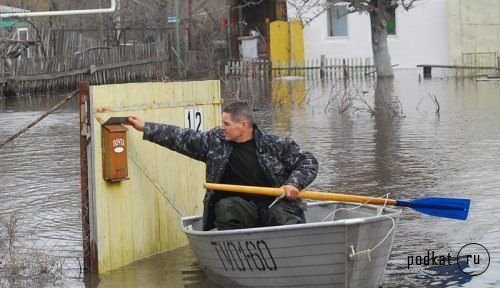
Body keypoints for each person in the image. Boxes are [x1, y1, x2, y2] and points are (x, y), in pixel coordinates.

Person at [125, 100, 318, 231]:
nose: (221, 128)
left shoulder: (274, 144)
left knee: (282, 213)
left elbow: (308, 161)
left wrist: (294, 184)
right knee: (226, 207)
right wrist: (146, 127)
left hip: (273, 205)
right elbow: (181, 136)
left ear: (243, 125)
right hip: (239, 210)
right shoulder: (214, 143)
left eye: (226, 124)